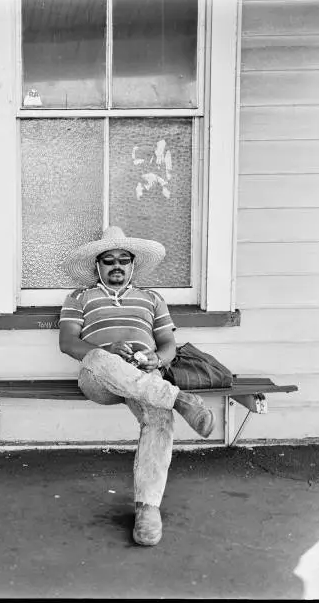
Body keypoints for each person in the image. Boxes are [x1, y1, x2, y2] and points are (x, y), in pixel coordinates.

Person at [59, 225, 215, 547]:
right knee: (100, 358)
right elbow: (67, 343)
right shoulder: (79, 297)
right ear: (98, 265)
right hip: (99, 377)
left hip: (143, 375)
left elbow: (168, 344)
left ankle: (148, 510)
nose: (117, 265)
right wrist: (107, 351)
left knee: (159, 416)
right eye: (108, 260)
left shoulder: (152, 299)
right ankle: (181, 399)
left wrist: (155, 361)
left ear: (132, 265)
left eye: (123, 260)